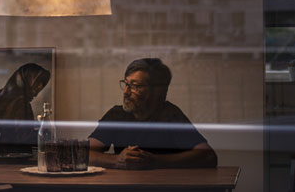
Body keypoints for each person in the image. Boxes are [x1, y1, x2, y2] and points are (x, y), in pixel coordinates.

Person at [89, 58, 217, 169]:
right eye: (126, 84)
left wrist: (156, 161)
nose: (126, 92)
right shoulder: (116, 115)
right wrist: (116, 160)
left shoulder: (170, 115)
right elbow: (83, 153)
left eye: (135, 86)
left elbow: (208, 156)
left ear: (156, 92)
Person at [0, 63, 50, 157]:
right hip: (12, 154)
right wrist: (44, 131)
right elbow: (23, 137)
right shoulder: (20, 103)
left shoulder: (14, 100)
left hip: (6, 152)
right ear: (27, 80)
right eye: (37, 82)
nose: (40, 86)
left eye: (42, 83)